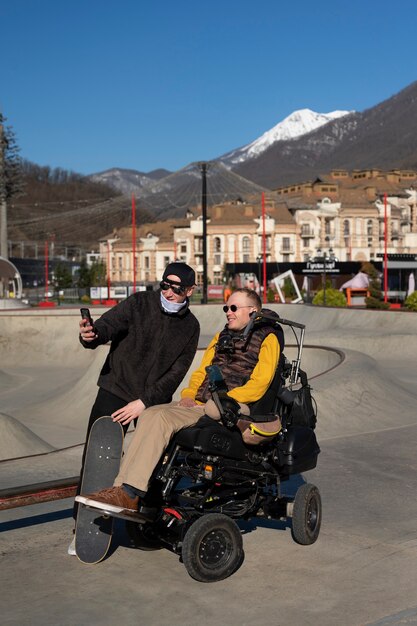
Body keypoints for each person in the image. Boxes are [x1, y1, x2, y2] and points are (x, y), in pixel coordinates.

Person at [75, 288, 284, 517]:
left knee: (165, 418)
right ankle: (123, 489)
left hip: (235, 407)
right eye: (226, 308)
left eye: (234, 308)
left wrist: (227, 399)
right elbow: (202, 372)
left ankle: (129, 492)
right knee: (151, 413)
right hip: (204, 402)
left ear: (252, 311)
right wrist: (189, 395)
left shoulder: (268, 337)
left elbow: (261, 382)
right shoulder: (221, 336)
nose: (228, 313)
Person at [69, 262, 199, 553]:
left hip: (151, 402)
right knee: (98, 457)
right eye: (165, 284)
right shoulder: (140, 302)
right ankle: (83, 526)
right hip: (116, 388)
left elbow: (176, 374)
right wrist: (91, 335)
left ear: (189, 290)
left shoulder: (191, 327)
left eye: (176, 287)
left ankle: (145, 523)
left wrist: (144, 402)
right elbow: (108, 325)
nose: (168, 291)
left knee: (152, 462)